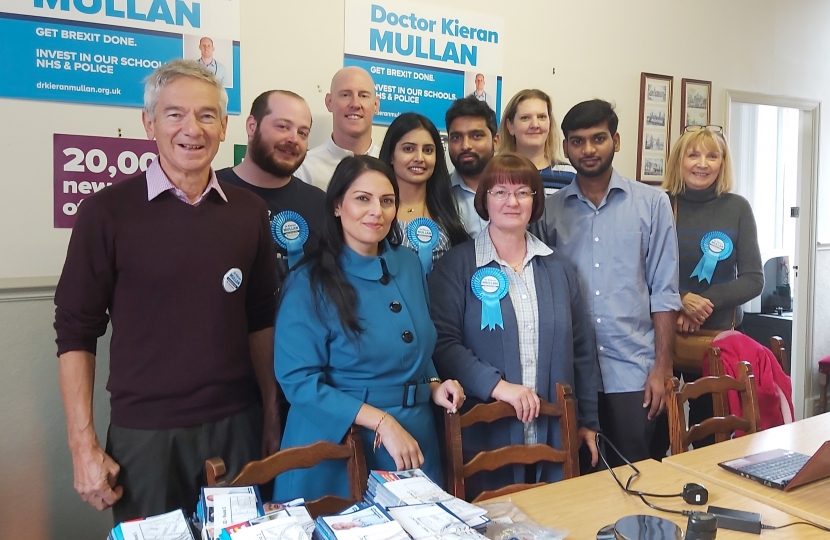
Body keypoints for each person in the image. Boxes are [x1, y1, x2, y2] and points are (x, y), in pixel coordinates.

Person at [54, 59, 279, 522]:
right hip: (147, 437)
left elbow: (260, 319)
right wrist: (83, 446)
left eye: (206, 115)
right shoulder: (106, 212)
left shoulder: (250, 212)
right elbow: (76, 331)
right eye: (174, 113)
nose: (191, 129)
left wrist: (272, 416)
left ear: (223, 127)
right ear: (148, 123)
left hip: (237, 427)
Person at [273, 155, 464, 500]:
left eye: (387, 200)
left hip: (415, 434)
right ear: (336, 205)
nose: (377, 210)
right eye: (363, 198)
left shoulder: (407, 264)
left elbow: (416, 343)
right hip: (338, 440)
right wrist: (381, 421)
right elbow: (298, 382)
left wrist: (434, 383)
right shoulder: (308, 280)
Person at [429, 153, 600, 499]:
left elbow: (582, 350)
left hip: (554, 434)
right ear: (484, 199)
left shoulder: (560, 269)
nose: (512, 201)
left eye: (523, 192)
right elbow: (443, 344)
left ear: (535, 202)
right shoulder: (456, 267)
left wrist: (588, 421)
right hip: (485, 436)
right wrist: (499, 387)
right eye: (500, 192)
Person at [531, 99, 682, 467]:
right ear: (565, 147)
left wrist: (662, 367)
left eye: (598, 138)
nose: (588, 149)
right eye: (577, 141)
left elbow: (664, 291)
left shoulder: (652, 204)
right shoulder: (549, 211)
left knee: (638, 477)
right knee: (579, 484)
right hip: (571, 377)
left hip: (634, 373)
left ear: (616, 139)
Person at [662, 125, 763, 445]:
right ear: (679, 160)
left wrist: (702, 303)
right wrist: (680, 299)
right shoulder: (660, 204)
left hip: (716, 344)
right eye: (693, 155)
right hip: (660, 338)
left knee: (711, 436)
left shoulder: (737, 208)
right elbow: (641, 270)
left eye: (712, 156)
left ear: (723, 163)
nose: (702, 163)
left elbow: (753, 278)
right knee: (654, 436)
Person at [216, 90, 326, 288]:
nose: (294, 139)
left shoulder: (320, 204)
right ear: (252, 126)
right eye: (283, 126)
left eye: (303, 133)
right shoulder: (209, 191)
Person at [378, 113, 469, 269]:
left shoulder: (448, 208)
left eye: (428, 150)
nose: (419, 158)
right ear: (391, 156)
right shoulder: (375, 209)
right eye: (408, 149)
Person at [296, 67, 380, 190]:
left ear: (376, 105)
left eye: (363, 95)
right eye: (345, 95)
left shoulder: (392, 164)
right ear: (329, 102)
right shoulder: (303, 169)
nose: (355, 104)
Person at [498, 89, 576, 194]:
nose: (535, 125)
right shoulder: (494, 173)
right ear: (510, 126)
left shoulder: (569, 176)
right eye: (525, 118)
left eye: (541, 117)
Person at [445, 96, 498, 239]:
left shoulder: (518, 193)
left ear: (495, 141)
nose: (465, 145)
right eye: (456, 137)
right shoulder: (438, 196)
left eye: (476, 136)